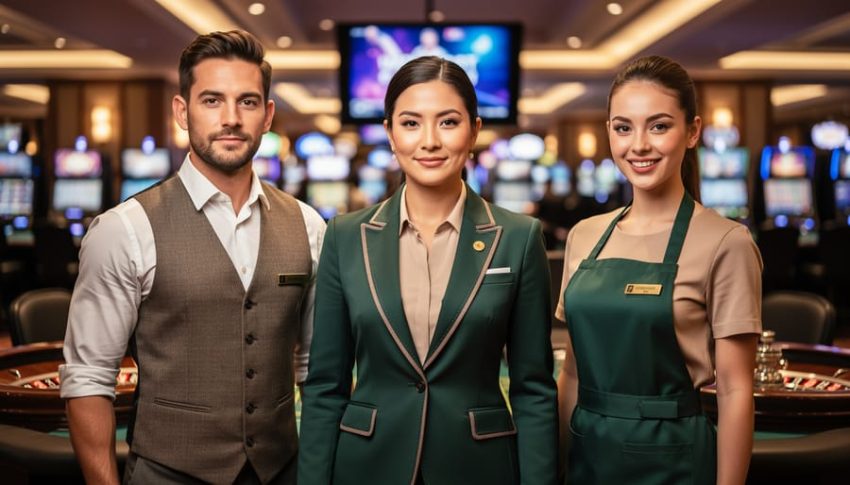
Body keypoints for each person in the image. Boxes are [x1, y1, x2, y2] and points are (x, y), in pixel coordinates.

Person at [60, 30, 326, 485]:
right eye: (211, 101)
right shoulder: (124, 229)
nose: (230, 118)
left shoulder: (309, 225)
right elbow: (88, 379)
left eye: (247, 102)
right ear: (182, 112)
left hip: (282, 470)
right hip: (167, 472)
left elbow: (313, 370)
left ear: (267, 116)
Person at [298, 56, 558, 485]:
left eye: (449, 122)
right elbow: (326, 387)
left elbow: (534, 389)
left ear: (474, 130)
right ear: (390, 132)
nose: (430, 141)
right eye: (411, 123)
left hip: (478, 466)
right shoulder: (345, 236)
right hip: (367, 465)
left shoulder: (518, 236)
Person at [556, 55, 761, 484]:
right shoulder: (584, 235)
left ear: (692, 132)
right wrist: (553, 466)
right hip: (587, 453)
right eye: (623, 127)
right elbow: (573, 372)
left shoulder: (727, 242)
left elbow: (735, 389)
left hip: (675, 460)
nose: (639, 145)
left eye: (659, 126)